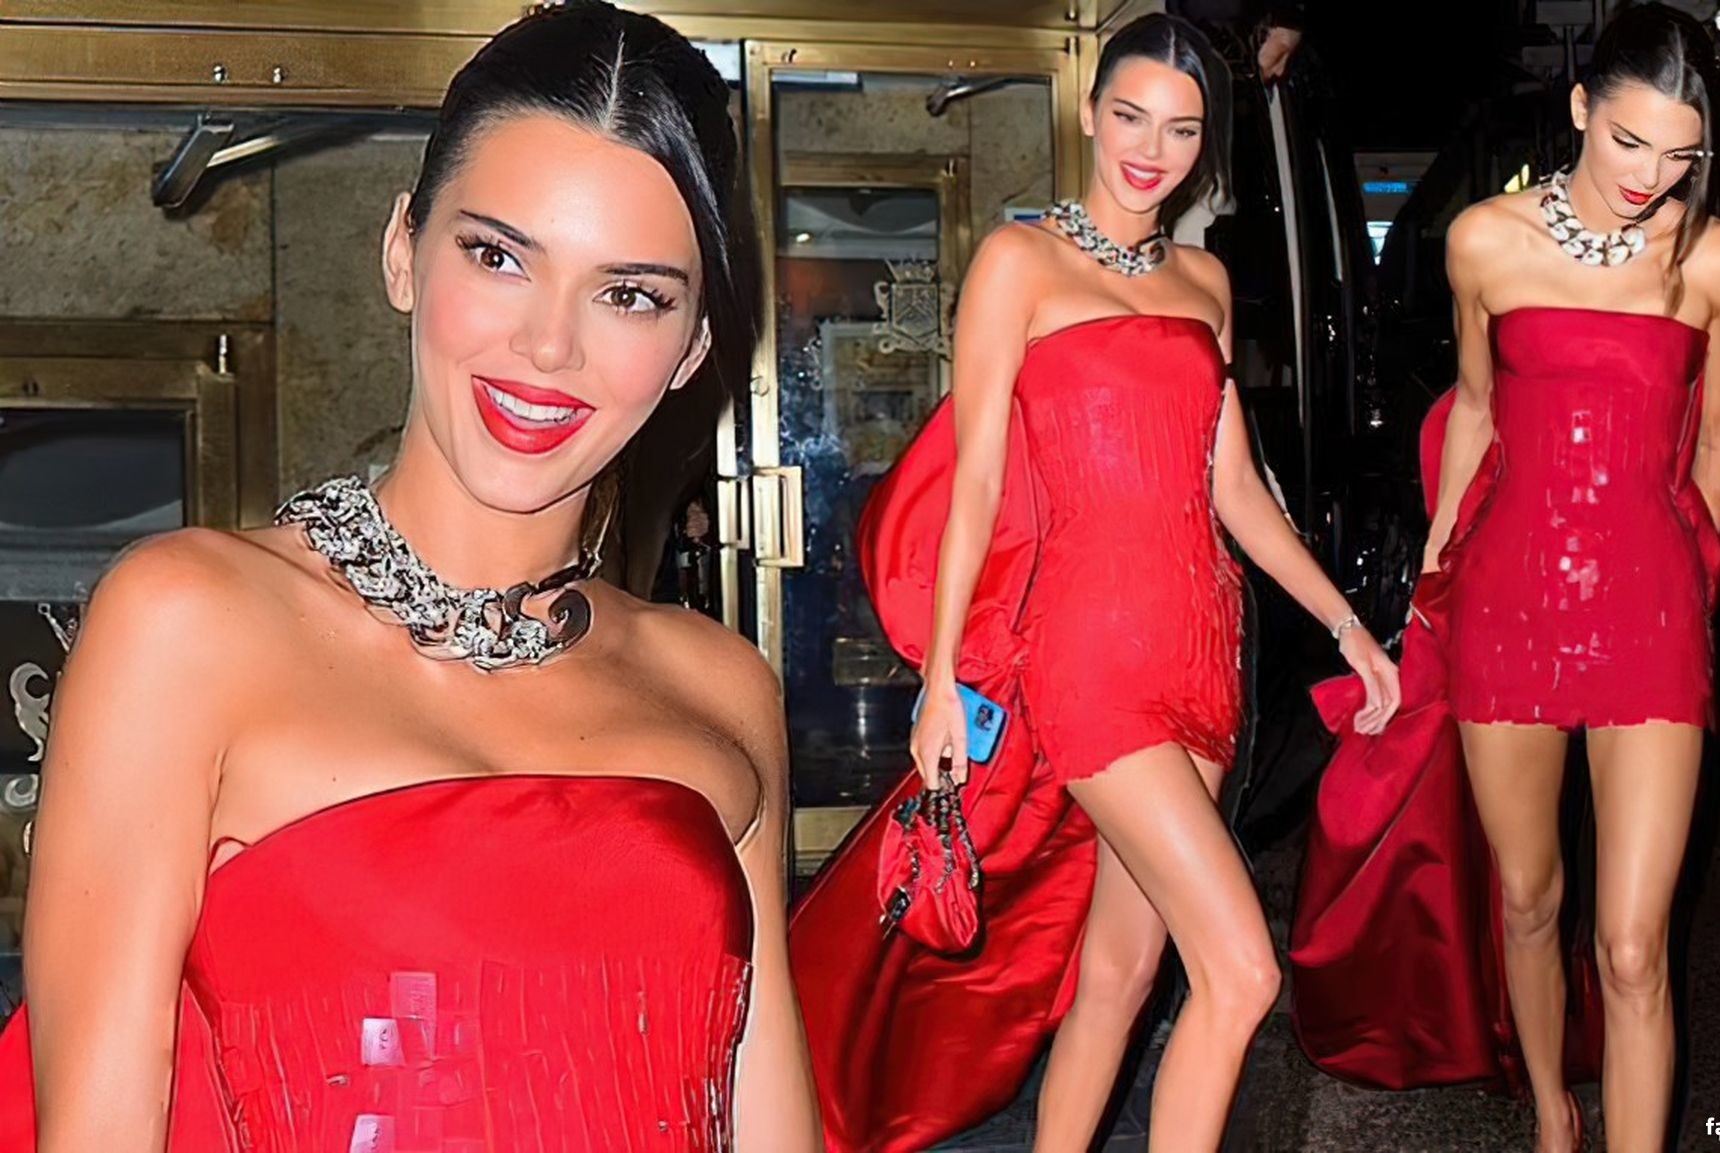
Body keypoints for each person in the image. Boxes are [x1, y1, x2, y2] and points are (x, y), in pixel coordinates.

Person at [0, 3, 820, 1149]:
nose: (548, 346)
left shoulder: (721, 685)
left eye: (630, 293)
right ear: (402, 250)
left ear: (690, 348)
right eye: (499, 256)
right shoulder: (187, 624)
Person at [789, 14, 1400, 1152]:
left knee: (1119, 976)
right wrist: (937, 680)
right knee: (1241, 970)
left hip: (1203, 652)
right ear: (1088, 113)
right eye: (1130, 116)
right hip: (1089, 661)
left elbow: (1234, 489)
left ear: (1207, 145)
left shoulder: (1206, 283)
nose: (1151, 150)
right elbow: (977, 482)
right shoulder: (1018, 263)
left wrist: (1347, 626)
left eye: (1182, 129)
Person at [1295, 6, 1720, 1153]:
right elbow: (1476, 412)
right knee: (1530, 897)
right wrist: (1430, 588)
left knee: (1636, 945)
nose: (1651, 175)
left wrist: (1690, 585)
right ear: (1579, 108)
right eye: (1629, 140)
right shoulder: (1485, 243)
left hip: (1650, 613)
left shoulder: (1716, 262)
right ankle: (1552, 1110)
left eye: (1681, 153)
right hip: (1508, 602)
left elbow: (1717, 444)